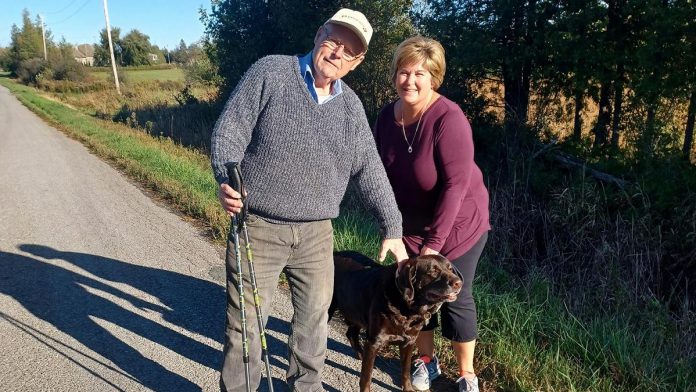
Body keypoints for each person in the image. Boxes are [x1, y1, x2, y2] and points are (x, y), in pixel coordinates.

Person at [210, 8, 408, 392]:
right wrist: (226, 175)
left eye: (349, 51)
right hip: (258, 226)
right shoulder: (271, 72)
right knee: (246, 327)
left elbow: (369, 168)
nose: (337, 53)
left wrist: (392, 226)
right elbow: (229, 131)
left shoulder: (350, 108)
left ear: (357, 62)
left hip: (317, 235)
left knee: (313, 327)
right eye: (334, 40)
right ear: (319, 35)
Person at [373, 36, 491, 392]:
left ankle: (467, 374)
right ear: (394, 75)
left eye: (419, 73)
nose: (409, 80)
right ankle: (426, 361)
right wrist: (391, 226)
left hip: (458, 225)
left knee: (454, 295)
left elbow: (456, 186)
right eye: (403, 72)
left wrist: (434, 246)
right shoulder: (385, 117)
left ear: (433, 78)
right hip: (410, 225)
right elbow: (376, 174)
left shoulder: (449, 118)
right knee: (414, 293)